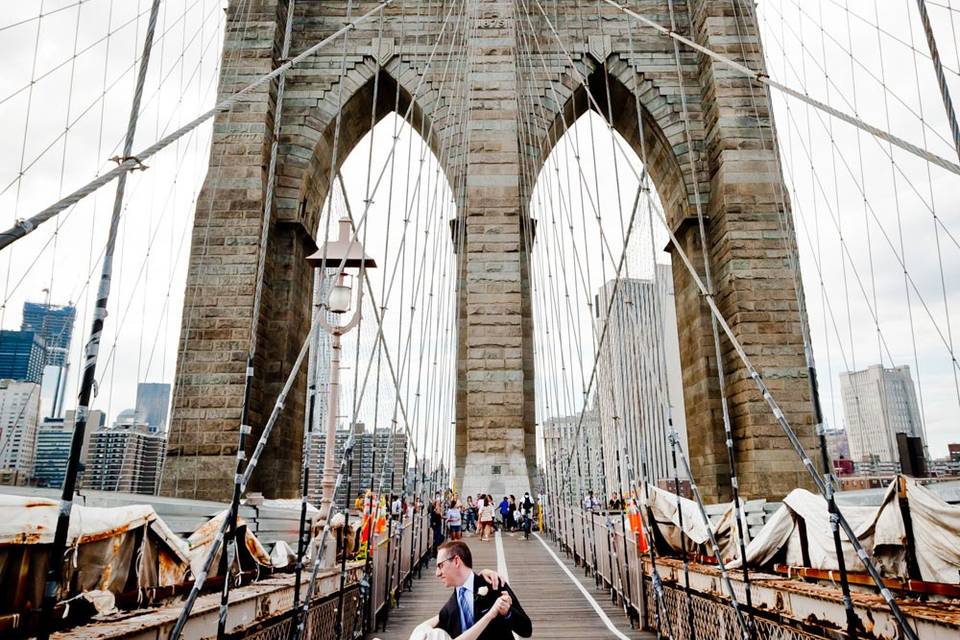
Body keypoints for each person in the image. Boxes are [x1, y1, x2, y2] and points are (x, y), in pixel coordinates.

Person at [431, 540, 532, 639]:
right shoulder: (447, 610)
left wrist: (508, 613)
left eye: (441, 566)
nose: (437, 573)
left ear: (456, 561)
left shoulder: (493, 584)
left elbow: (526, 630)